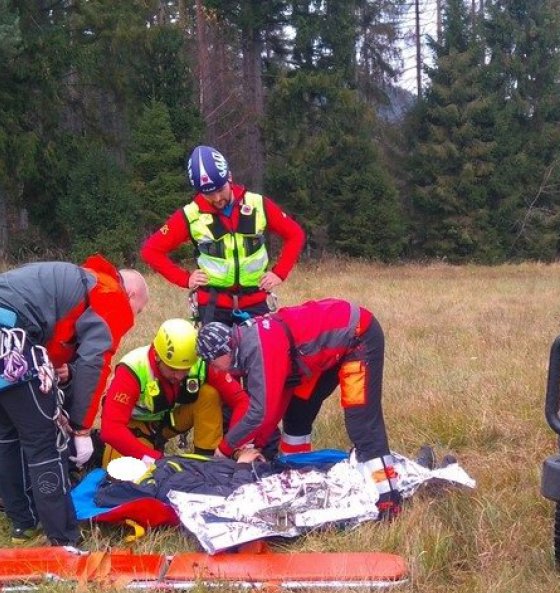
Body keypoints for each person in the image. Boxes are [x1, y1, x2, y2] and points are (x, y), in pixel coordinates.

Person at [195, 299, 401, 518]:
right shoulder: (245, 346)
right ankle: (297, 474)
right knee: (296, 416)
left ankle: (388, 499)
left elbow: (259, 412)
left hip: (358, 335)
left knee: (361, 423)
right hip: (317, 354)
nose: (215, 369)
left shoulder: (258, 347)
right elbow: (274, 403)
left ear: (223, 352)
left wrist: (225, 449)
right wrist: (259, 446)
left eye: (212, 363)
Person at [0, 255, 148, 546]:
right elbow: (95, 363)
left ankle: (23, 524)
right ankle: (63, 537)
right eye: (138, 310)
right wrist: (81, 429)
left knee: (7, 434)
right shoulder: (111, 293)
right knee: (44, 441)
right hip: (10, 337)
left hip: (9, 329)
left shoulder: (80, 282)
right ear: (130, 294)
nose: (133, 319)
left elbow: (56, 343)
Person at [140, 145, 306, 325]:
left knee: (263, 344)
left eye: (220, 190)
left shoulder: (257, 204)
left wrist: (279, 273)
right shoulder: (190, 215)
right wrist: (185, 279)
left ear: (230, 177)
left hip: (255, 303)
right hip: (213, 307)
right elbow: (151, 251)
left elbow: (295, 234)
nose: (217, 198)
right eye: (209, 194)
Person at [99, 318, 249, 467]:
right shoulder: (133, 370)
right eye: (172, 369)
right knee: (120, 472)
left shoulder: (200, 361)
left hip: (170, 420)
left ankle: (208, 462)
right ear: (157, 355)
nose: (179, 376)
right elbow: (111, 429)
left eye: (185, 369)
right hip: (135, 427)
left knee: (209, 394)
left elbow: (241, 401)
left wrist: (230, 446)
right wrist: (156, 460)